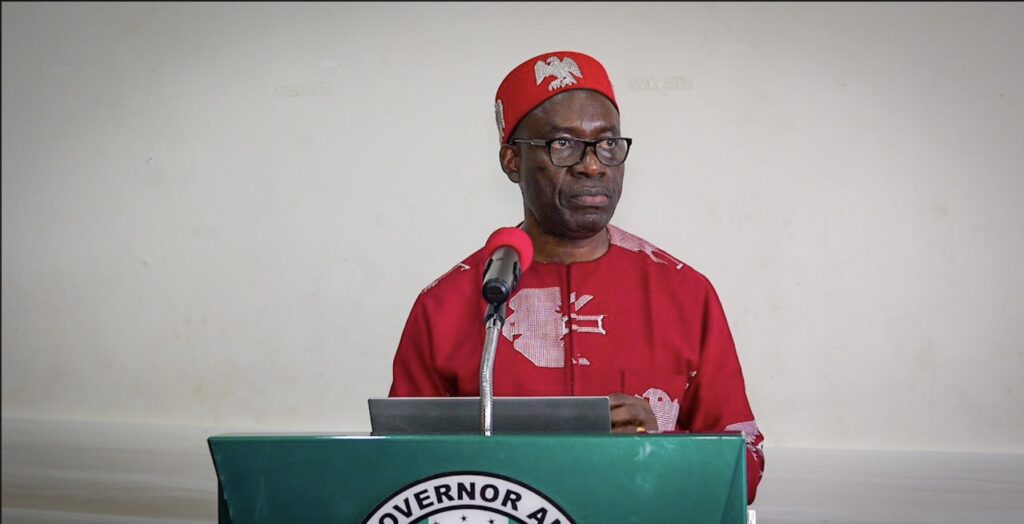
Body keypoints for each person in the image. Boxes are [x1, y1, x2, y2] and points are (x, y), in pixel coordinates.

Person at [388, 50, 764, 503]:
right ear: (511, 161)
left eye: (608, 143)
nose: (592, 164)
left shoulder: (685, 293)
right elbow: (402, 473)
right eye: (563, 144)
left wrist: (657, 446)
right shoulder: (446, 304)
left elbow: (745, 467)